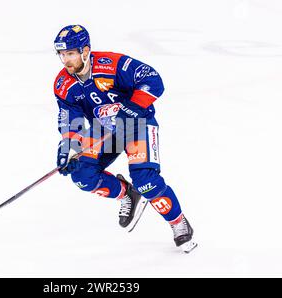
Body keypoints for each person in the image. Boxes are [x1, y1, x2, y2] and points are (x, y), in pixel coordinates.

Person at [53, 24, 197, 253]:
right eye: (61, 54)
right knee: (81, 174)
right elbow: (72, 116)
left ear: (85, 50)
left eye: (70, 53)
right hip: (104, 130)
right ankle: (127, 194)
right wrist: (70, 146)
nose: (65, 60)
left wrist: (130, 108)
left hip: (136, 123)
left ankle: (178, 222)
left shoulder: (111, 64)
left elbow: (153, 80)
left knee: (146, 180)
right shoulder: (63, 84)